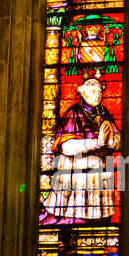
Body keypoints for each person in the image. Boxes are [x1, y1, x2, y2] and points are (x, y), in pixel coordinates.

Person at [42, 74, 121, 223]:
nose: (97, 95)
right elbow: (66, 147)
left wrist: (111, 141)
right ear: (82, 93)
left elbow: (119, 141)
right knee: (78, 219)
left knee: (100, 220)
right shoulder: (72, 113)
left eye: (99, 91)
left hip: (100, 177)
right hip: (77, 173)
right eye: (93, 91)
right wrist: (96, 143)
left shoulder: (104, 113)